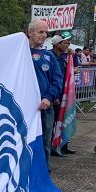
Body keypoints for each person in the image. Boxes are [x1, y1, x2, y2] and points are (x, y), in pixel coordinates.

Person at [28, 19, 63, 169]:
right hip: (24, 107)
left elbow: (57, 79)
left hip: (44, 107)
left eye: (46, 33)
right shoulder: (20, 53)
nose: (44, 35)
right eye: (40, 32)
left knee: (44, 141)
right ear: (30, 32)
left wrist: (49, 97)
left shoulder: (49, 56)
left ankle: (44, 171)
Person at [49, 33, 77, 154]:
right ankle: (51, 147)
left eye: (68, 43)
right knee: (52, 122)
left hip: (63, 94)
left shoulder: (63, 57)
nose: (67, 45)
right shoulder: (50, 56)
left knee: (63, 119)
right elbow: (51, 78)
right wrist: (54, 96)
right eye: (64, 43)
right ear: (57, 44)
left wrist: (72, 57)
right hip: (54, 95)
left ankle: (63, 145)